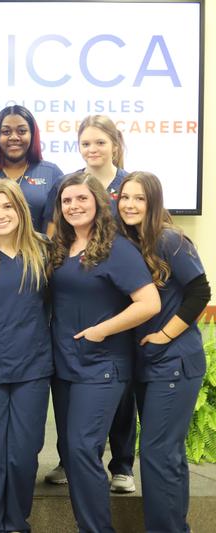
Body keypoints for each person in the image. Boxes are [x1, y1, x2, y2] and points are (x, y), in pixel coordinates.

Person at [48, 172, 160, 532]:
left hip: (102, 366)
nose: (74, 206)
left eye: (81, 199)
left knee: (82, 448)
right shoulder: (62, 246)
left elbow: (149, 303)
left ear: (98, 201)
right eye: (67, 201)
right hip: (65, 366)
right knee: (76, 452)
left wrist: (101, 330)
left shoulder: (116, 247)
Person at [43, 115, 134, 490]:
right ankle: (73, 461)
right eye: (86, 144)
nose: (93, 150)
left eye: (100, 142)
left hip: (121, 291)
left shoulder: (129, 184)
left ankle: (123, 465)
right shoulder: (71, 185)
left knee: (120, 388)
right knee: (71, 397)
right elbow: (57, 236)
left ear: (115, 143)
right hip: (80, 295)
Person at [117, 171, 210, 532]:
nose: (129, 204)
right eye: (125, 197)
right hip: (151, 365)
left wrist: (164, 336)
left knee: (157, 454)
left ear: (153, 202)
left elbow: (200, 292)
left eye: (139, 198)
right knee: (167, 455)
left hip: (174, 362)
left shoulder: (169, 239)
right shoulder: (129, 242)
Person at [0, 179, 53, 533]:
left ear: (21, 209)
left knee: (22, 453)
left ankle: (17, 523)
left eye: (7, 207)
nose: (1, 215)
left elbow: (53, 305)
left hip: (32, 368)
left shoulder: (44, 252)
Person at [0, 105, 63, 232]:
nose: (14, 137)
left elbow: (56, 222)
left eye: (22, 131)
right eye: (6, 132)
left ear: (33, 135)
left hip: (38, 251)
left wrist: (47, 251)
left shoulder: (51, 173)